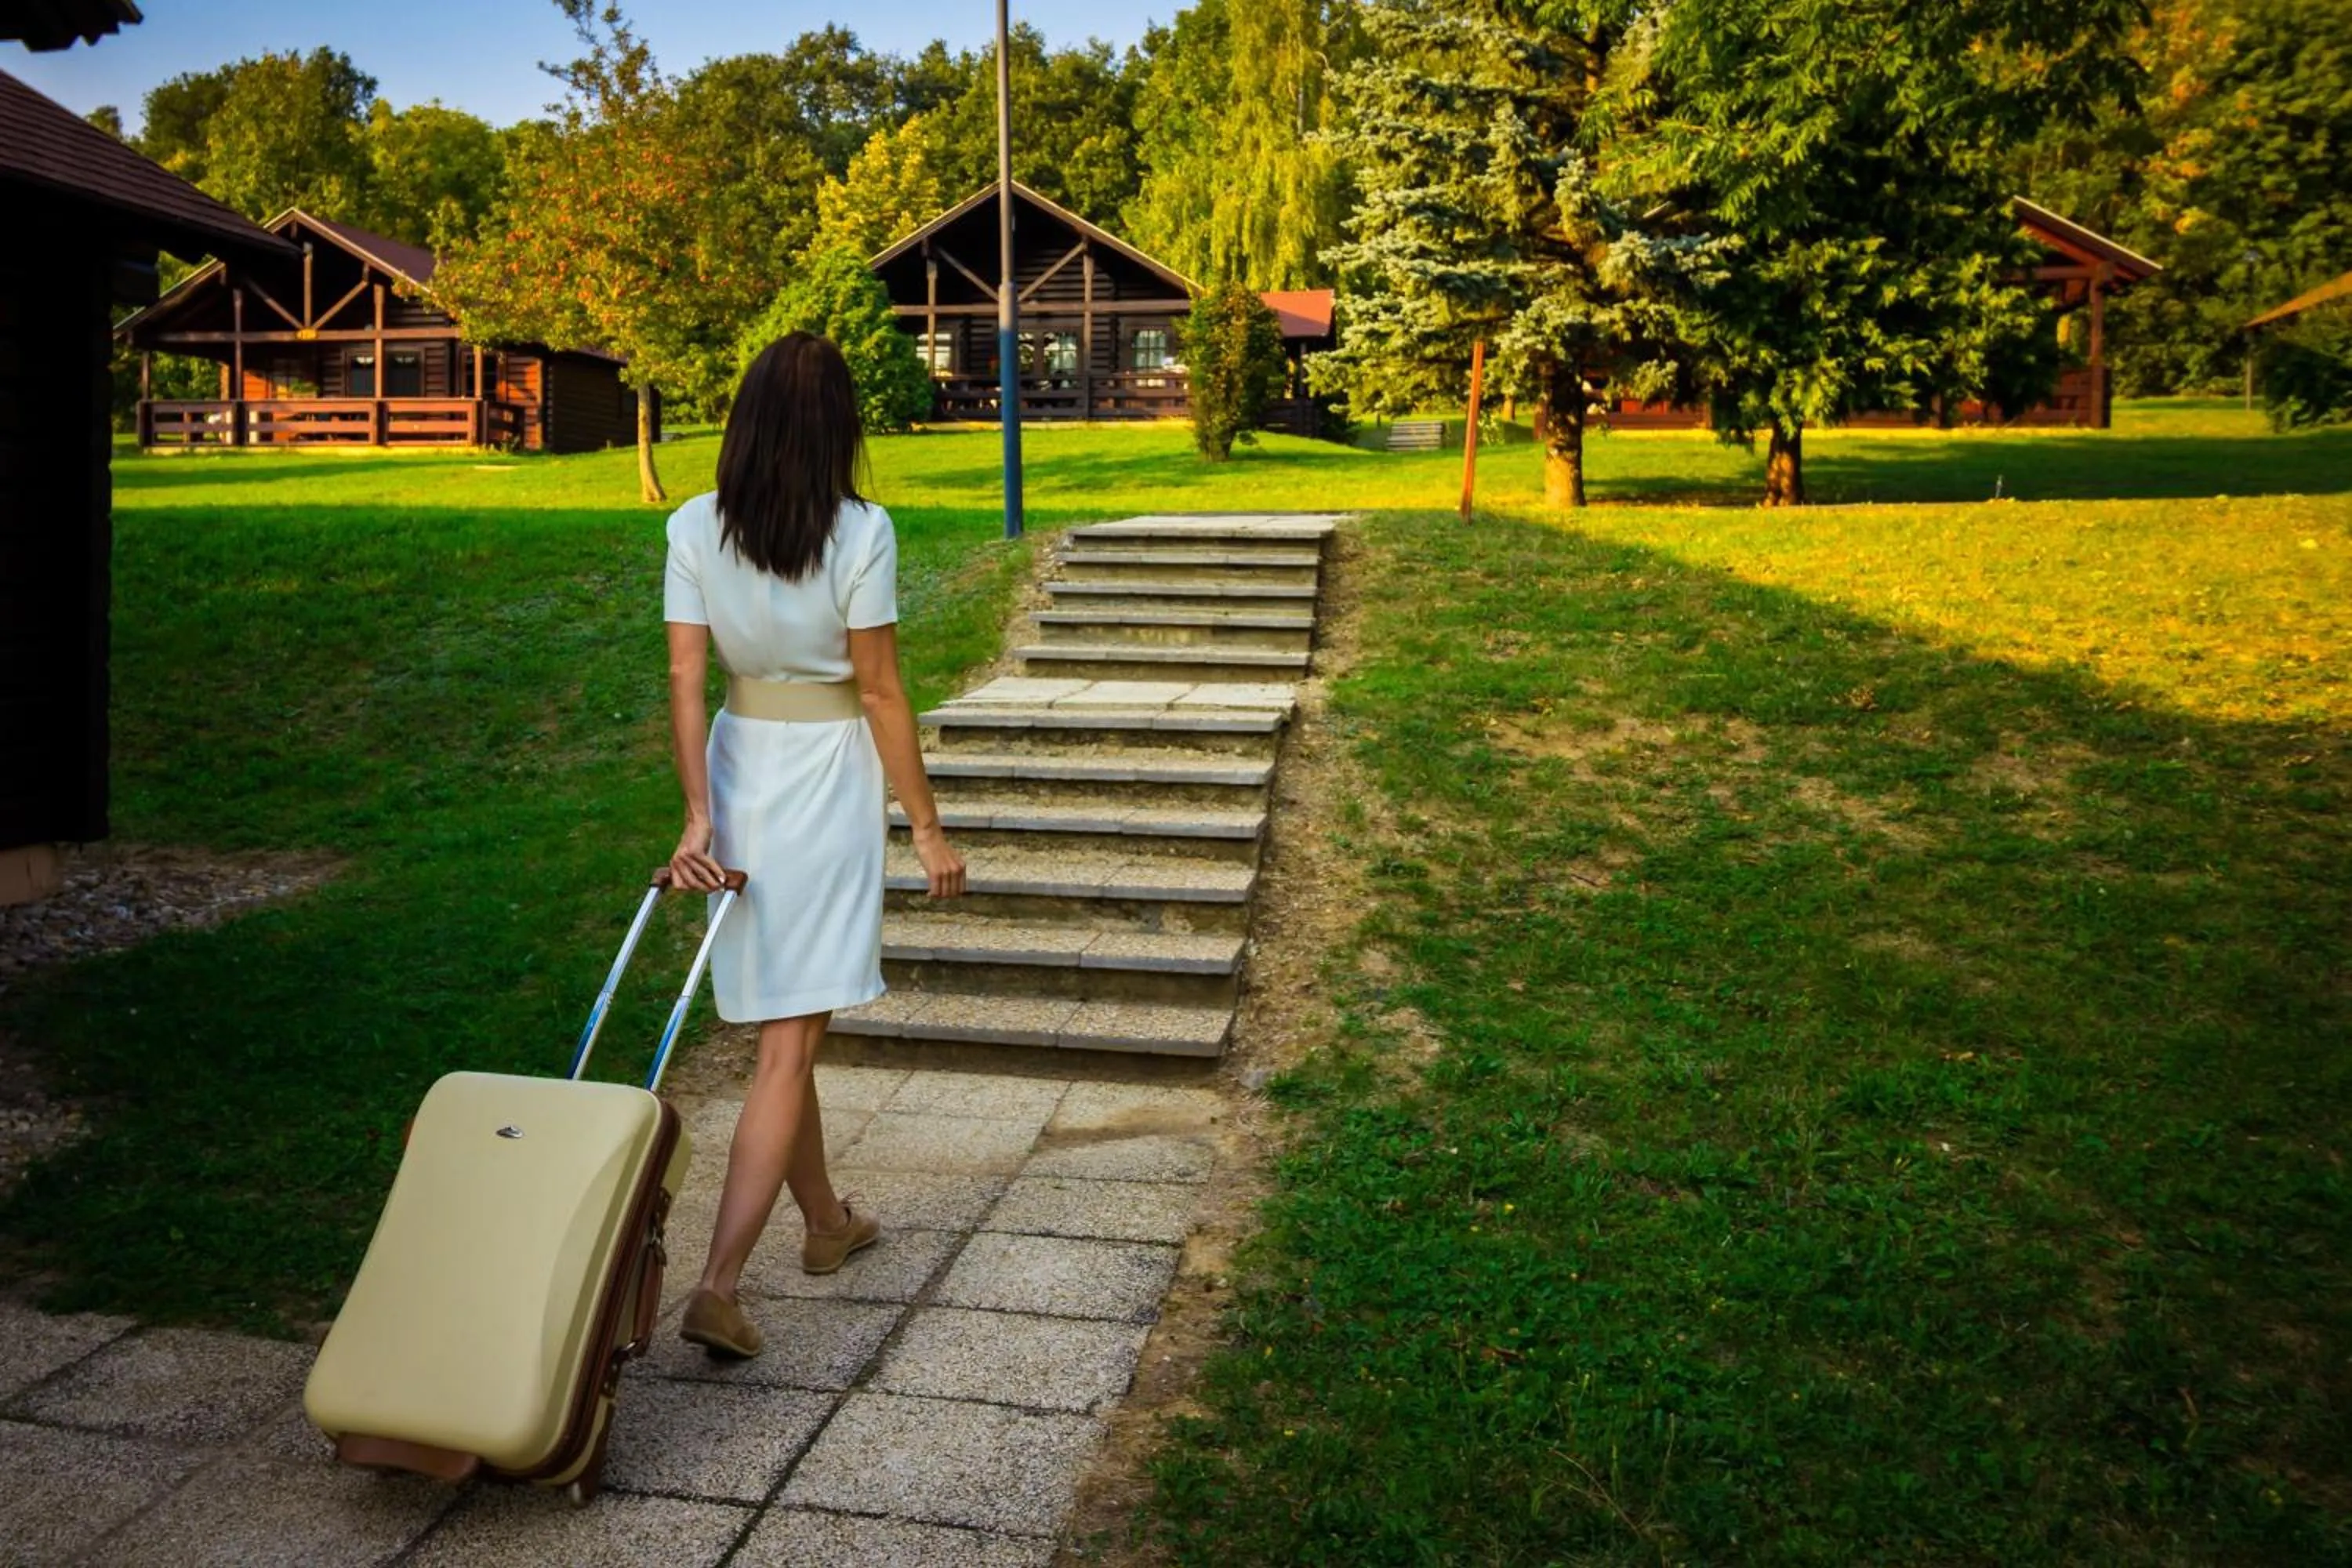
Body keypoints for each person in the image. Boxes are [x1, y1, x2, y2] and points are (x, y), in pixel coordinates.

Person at [660, 332, 965, 1359]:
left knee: (786, 1030)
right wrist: (927, 828)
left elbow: (686, 682)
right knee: (791, 1042)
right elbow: (880, 689)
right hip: (829, 776)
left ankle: (828, 1225)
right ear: (840, 427)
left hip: (743, 772)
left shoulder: (694, 527)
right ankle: (718, 1283)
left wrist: (700, 815)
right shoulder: (861, 531)